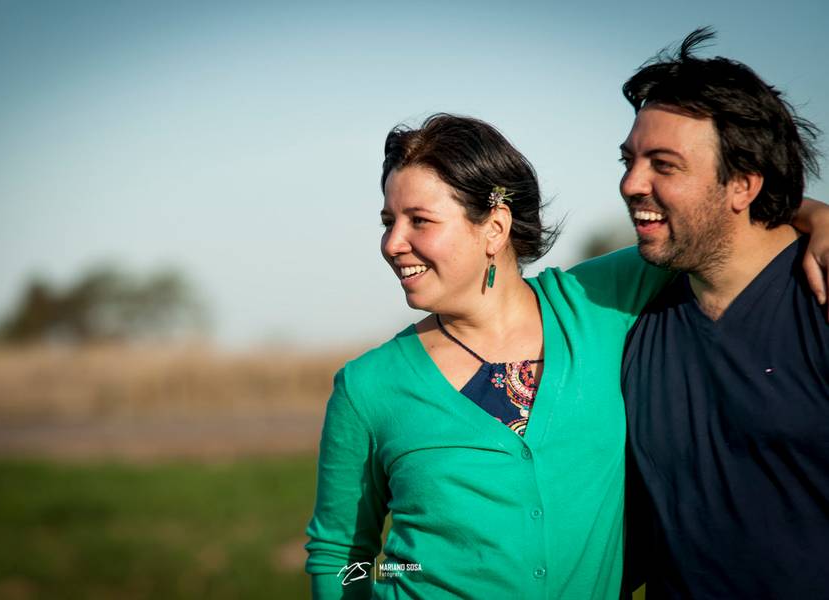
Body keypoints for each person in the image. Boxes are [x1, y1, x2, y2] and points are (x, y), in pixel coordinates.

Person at [305, 113, 828, 599]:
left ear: (495, 226)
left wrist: (815, 214)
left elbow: (709, 223)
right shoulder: (367, 387)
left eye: (419, 220)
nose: (393, 242)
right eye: (387, 220)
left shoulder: (599, 302)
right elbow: (340, 554)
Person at [620, 28, 829, 598]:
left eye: (664, 164)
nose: (631, 183)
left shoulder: (819, 298)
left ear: (742, 184)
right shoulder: (629, 315)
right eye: (631, 160)